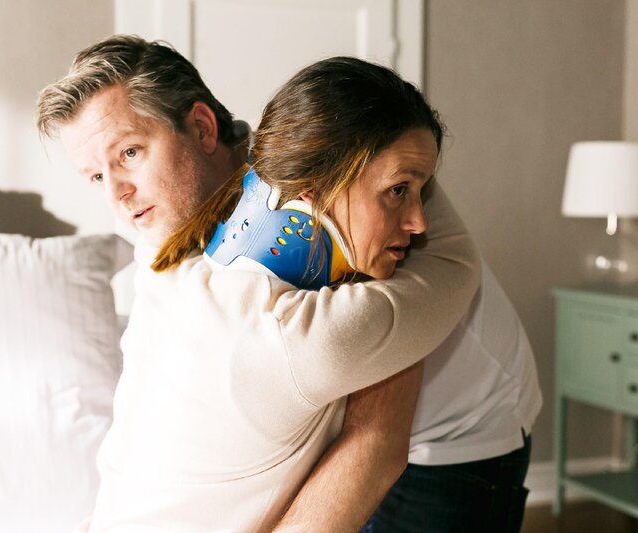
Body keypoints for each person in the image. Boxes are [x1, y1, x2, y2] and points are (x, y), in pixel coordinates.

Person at [37, 36, 480, 531]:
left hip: (454, 436)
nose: (116, 195)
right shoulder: (165, 252)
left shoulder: (302, 291)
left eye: (130, 153)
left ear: (203, 128)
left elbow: (377, 440)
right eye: (96, 177)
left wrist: (376, 169)